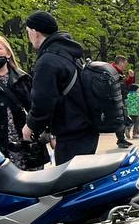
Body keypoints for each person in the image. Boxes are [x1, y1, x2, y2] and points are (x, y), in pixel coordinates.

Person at [21, 10, 99, 164]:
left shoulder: (47, 61)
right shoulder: (69, 53)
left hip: (71, 133)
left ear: (34, 32)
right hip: (86, 128)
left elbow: (43, 102)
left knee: (71, 178)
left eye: (28, 32)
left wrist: (30, 126)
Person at [109, 55, 133, 148]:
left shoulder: (119, 73)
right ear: (121, 63)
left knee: (123, 119)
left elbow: (125, 86)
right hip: (116, 100)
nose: (126, 66)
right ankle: (121, 140)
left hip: (120, 99)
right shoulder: (112, 72)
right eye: (125, 64)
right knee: (121, 119)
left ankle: (121, 139)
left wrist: (130, 78)